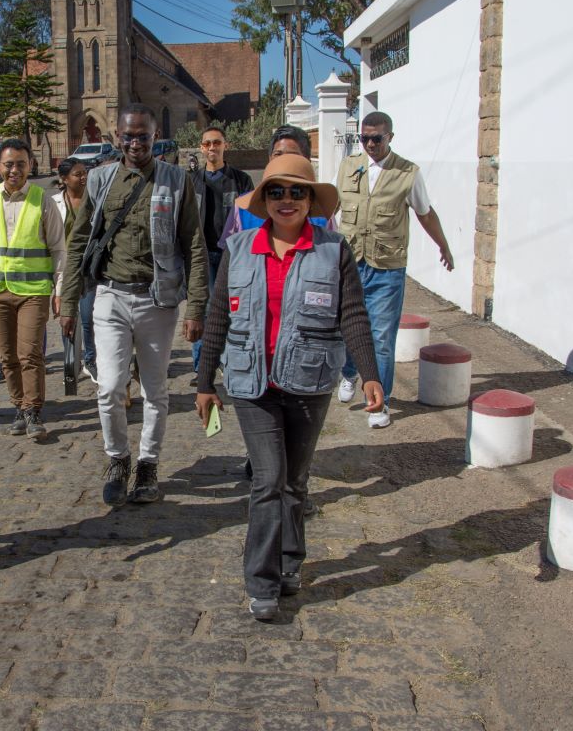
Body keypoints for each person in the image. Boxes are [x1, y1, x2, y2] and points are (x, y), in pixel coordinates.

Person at [195, 154, 385, 622]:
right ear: (264, 200)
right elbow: (218, 317)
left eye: (296, 192)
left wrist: (370, 373)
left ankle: (289, 562)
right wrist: (204, 383)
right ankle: (260, 580)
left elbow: (354, 315)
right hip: (252, 383)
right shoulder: (239, 248)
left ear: (309, 200)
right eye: (276, 192)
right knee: (269, 480)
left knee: (296, 482)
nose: (286, 200)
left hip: (309, 380)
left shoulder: (333, 250)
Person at [61, 103, 208, 507]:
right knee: (109, 387)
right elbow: (78, 243)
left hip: (156, 301)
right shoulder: (100, 180)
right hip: (109, 296)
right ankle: (117, 459)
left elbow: (194, 246)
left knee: (155, 391)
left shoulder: (177, 181)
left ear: (155, 135)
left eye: (143, 135)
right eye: (128, 136)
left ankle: (148, 464)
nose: (135, 143)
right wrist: (69, 299)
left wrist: (196, 307)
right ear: (116, 137)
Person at [335, 111, 454, 429]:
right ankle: (349, 372)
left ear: (390, 137)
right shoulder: (348, 167)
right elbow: (331, 210)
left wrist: (443, 245)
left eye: (377, 138)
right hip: (350, 262)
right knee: (348, 328)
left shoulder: (407, 173)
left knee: (381, 338)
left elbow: (425, 214)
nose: (370, 144)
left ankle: (380, 402)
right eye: (365, 138)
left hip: (387, 267)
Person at [0, 138, 65, 441]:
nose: (14, 170)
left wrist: (59, 289)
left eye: (21, 164)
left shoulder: (43, 200)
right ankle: (18, 406)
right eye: (8, 164)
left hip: (33, 291)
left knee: (30, 353)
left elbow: (58, 249)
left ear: (30, 166)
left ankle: (33, 409)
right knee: (7, 356)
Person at [191, 126, 254, 375]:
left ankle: (228, 361)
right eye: (207, 144)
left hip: (232, 254)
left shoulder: (241, 180)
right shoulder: (192, 181)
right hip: (202, 254)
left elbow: (249, 217)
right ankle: (202, 365)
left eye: (216, 143)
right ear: (201, 147)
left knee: (231, 309)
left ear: (225, 145)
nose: (212, 148)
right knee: (202, 309)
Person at [218, 125, 328, 247]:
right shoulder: (243, 209)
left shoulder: (323, 213)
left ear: (307, 160)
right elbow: (228, 251)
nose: (287, 199)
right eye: (278, 154)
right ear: (269, 158)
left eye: (298, 192)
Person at [50, 157, 96, 383]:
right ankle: (71, 362)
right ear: (64, 179)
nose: (83, 177)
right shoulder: (54, 203)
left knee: (88, 316)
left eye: (84, 172)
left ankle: (90, 359)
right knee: (67, 316)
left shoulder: (94, 199)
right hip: (65, 269)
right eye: (78, 174)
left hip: (89, 268)